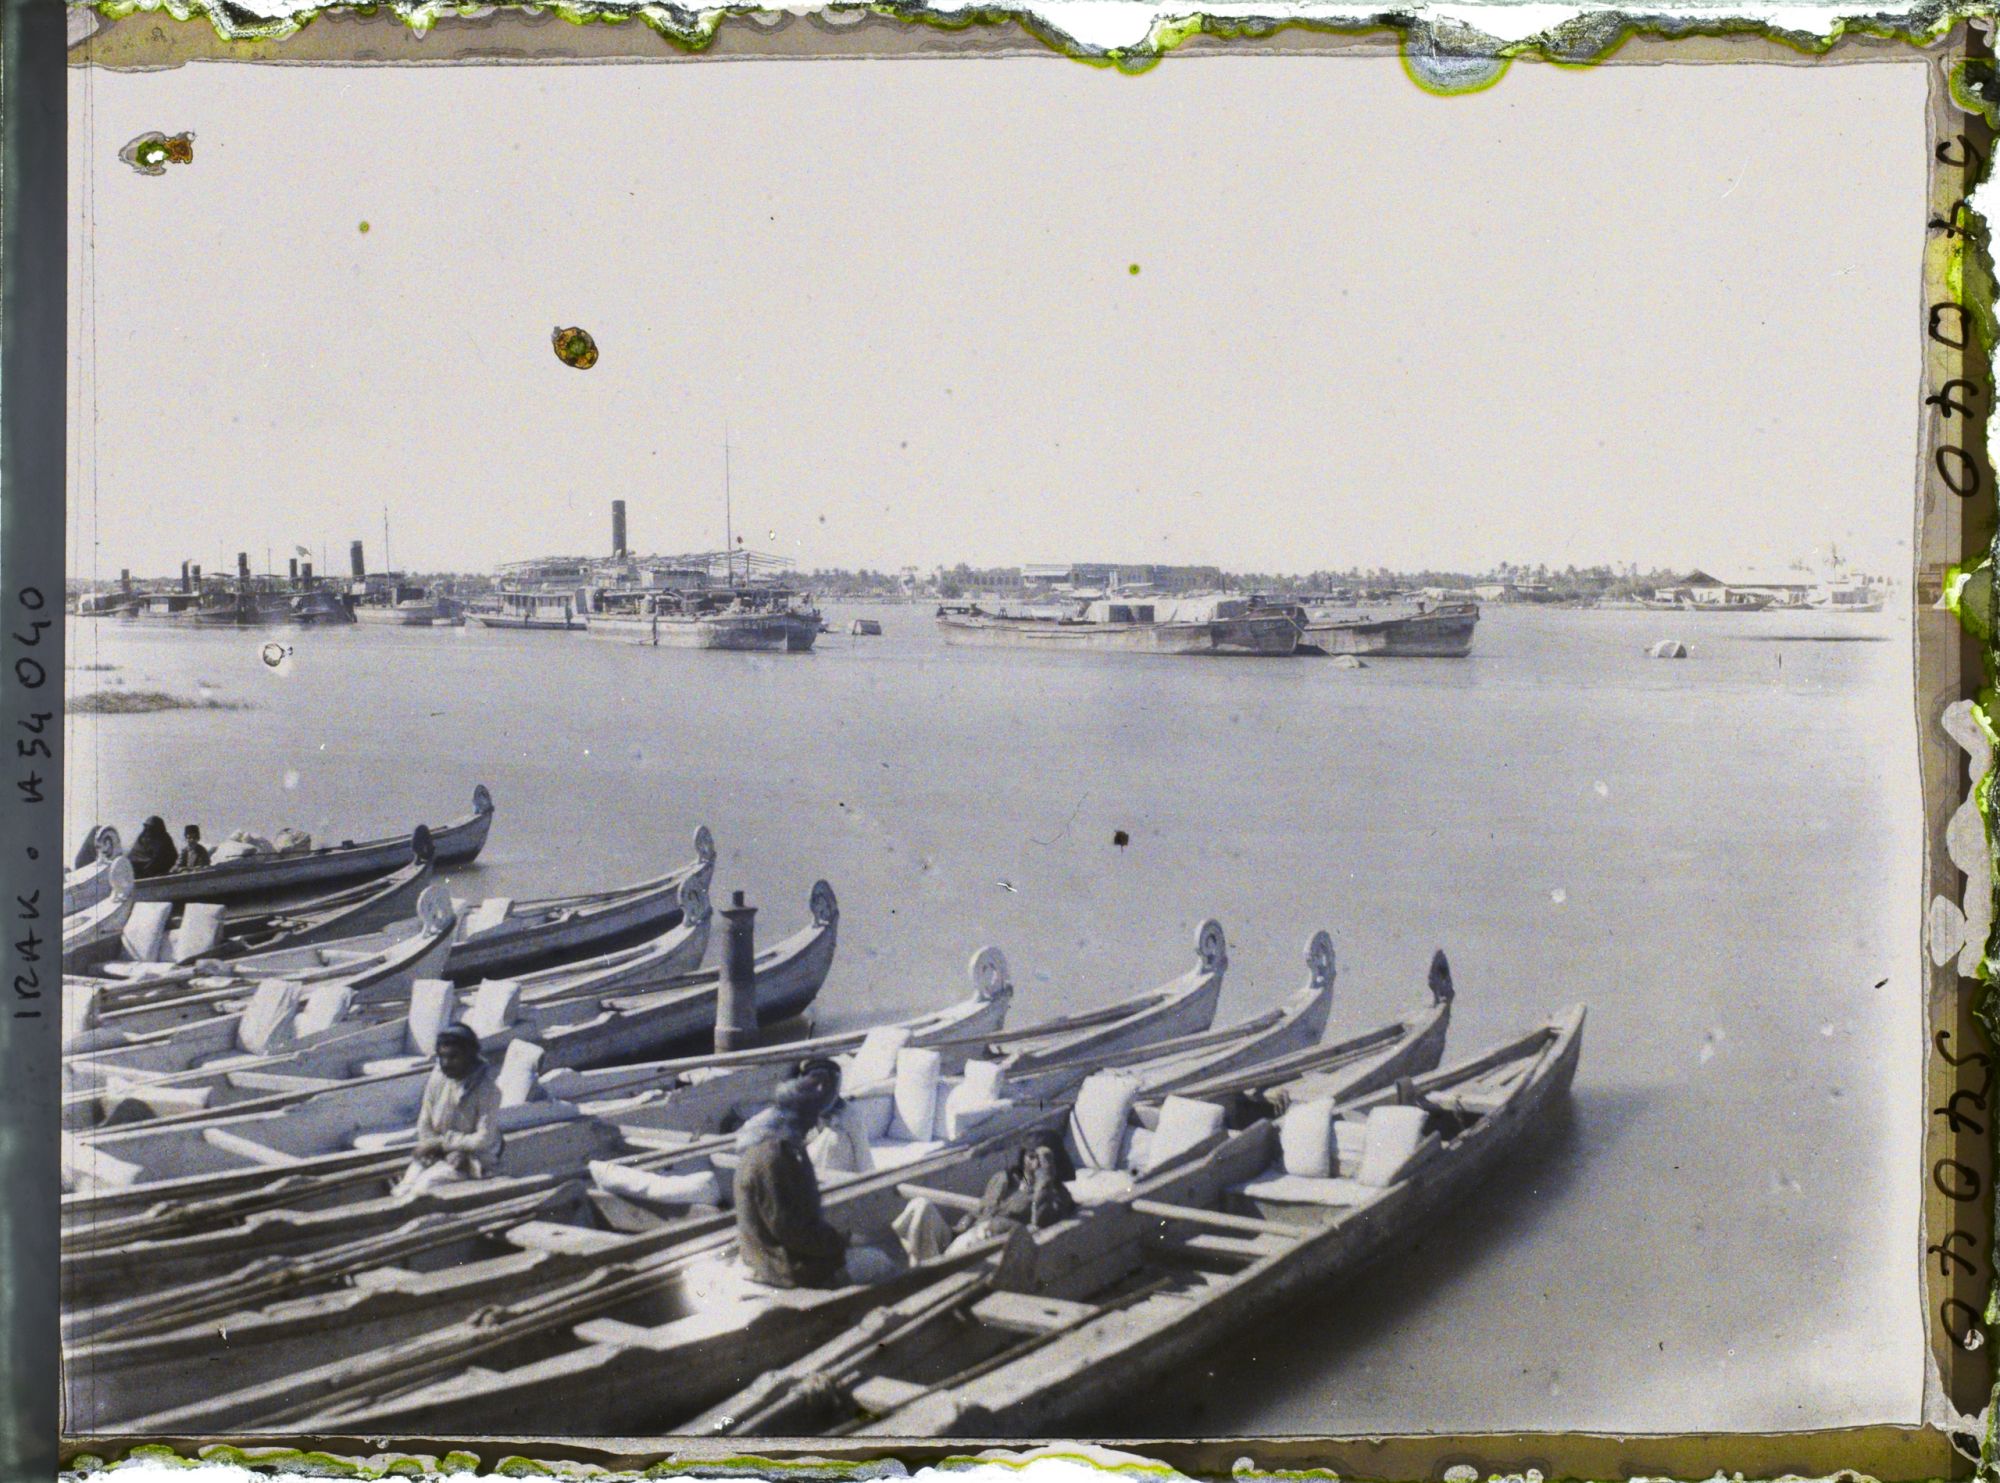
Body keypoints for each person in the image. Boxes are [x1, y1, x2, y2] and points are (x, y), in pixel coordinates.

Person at [733, 1061, 853, 1288]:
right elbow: (791, 1230)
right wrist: (839, 1241)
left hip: (771, 1259)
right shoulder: (774, 1158)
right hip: (779, 1270)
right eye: (810, 1117)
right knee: (880, 1263)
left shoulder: (780, 1148)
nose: (813, 1125)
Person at [396, 1022, 503, 1195]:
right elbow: (424, 1123)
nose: (446, 1063)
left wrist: (445, 1145)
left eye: (454, 1057)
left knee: (423, 1187)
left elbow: (483, 1139)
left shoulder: (488, 1090)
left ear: (469, 1056)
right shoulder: (438, 1079)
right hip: (438, 1152)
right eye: (442, 1057)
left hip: (474, 1158)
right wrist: (436, 1147)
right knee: (405, 1187)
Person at [125, 816, 177, 880]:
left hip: (158, 872)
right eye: (147, 826)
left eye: (152, 827)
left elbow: (171, 856)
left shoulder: (164, 838)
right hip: (138, 871)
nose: (149, 829)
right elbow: (135, 854)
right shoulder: (142, 837)